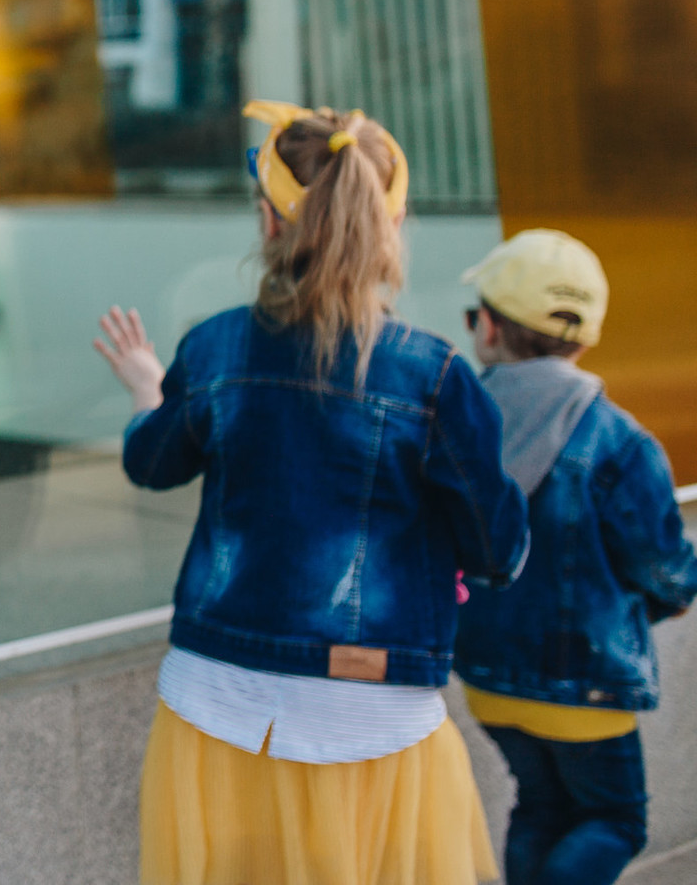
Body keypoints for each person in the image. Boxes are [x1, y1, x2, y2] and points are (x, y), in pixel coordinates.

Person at [93, 100, 529, 885]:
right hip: (374, 714)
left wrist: (146, 390)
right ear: (390, 224)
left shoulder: (214, 346)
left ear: (269, 222)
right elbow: (497, 550)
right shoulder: (435, 376)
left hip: (215, 706)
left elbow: (152, 463)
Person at [453, 229, 697, 885]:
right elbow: (667, 570)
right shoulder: (621, 440)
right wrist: (660, 605)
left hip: (485, 678)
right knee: (616, 820)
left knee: (541, 806)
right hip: (585, 686)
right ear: (584, 339)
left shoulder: (455, 423)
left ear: (491, 331)